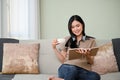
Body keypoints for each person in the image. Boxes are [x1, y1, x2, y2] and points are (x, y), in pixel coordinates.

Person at [49, 15, 101, 80]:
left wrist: (87, 55)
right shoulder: (67, 39)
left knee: (95, 77)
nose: (75, 29)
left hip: (83, 70)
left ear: (82, 25)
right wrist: (54, 48)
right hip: (67, 68)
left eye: (78, 26)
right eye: (72, 27)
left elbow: (91, 62)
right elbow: (63, 60)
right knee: (72, 70)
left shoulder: (91, 41)